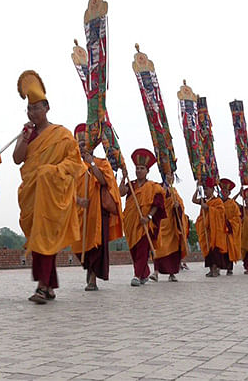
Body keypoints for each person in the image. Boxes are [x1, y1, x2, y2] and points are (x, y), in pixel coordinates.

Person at [13, 70, 85, 304]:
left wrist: (52, 172)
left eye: (36, 108)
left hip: (53, 194)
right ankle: (49, 286)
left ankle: (43, 287)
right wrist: (24, 138)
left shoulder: (62, 135)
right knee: (38, 240)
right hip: (32, 194)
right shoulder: (27, 134)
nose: (32, 112)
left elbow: (74, 163)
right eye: (29, 108)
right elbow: (17, 158)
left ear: (46, 108)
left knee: (43, 238)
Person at [71, 124, 123, 291]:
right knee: (81, 247)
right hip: (80, 212)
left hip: (98, 212)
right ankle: (89, 269)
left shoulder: (102, 163)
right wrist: (78, 200)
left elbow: (103, 181)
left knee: (97, 246)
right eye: (79, 146)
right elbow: (67, 189)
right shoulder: (73, 166)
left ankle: (93, 278)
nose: (81, 148)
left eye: (84, 145)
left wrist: (91, 163)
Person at [120, 149, 164, 286]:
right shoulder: (131, 185)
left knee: (142, 249)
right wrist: (123, 177)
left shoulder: (153, 187)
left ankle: (137, 275)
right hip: (130, 222)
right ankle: (144, 274)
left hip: (145, 222)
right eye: (137, 168)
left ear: (147, 171)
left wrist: (149, 217)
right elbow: (121, 193)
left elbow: (157, 204)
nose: (139, 171)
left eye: (142, 168)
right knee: (134, 250)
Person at [149, 171, 188, 282]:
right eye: (168, 176)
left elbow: (181, 206)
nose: (171, 178)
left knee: (173, 249)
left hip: (172, 225)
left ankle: (172, 274)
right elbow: (156, 200)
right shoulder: (158, 187)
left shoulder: (174, 192)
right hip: (161, 222)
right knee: (158, 248)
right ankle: (156, 272)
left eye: (172, 176)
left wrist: (178, 207)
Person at [193, 177, 228, 278]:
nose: (206, 191)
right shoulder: (204, 200)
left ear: (212, 189)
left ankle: (215, 269)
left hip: (215, 229)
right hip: (205, 228)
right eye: (204, 189)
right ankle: (210, 269)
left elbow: (221, 212)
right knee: (207, 248)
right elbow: (194, 200)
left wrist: (208, 208)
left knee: (214, 250)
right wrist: (197, 188)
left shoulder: (217, 201)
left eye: (207, 189)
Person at [218, 178, 242, 275]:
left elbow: (237, 218)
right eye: (223, 191)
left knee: (229, 249)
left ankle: (229, 268)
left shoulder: (233, 204)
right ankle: (218, 267)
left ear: (229, 193)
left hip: (228, 230)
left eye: (226, 191)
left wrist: (229, 223)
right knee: (219, 249)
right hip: (219, 230)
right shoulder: (217, 202)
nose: (224, 193)